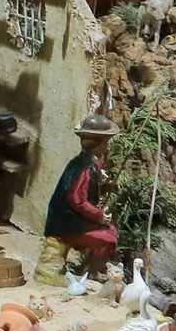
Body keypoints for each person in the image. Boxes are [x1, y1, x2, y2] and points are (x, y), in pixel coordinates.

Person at [44, 114, 122, 274]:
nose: (109, 144)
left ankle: (86, 267)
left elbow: (88, 190)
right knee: (108, 240)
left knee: (112, 229)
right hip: (65, 224)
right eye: (107, 141)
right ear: (96, 144)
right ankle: (90, 273)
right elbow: (77, 200)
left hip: (72, 219)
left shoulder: (90, 162)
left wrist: (106, 186)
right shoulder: (85, 168)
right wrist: (99, 216)